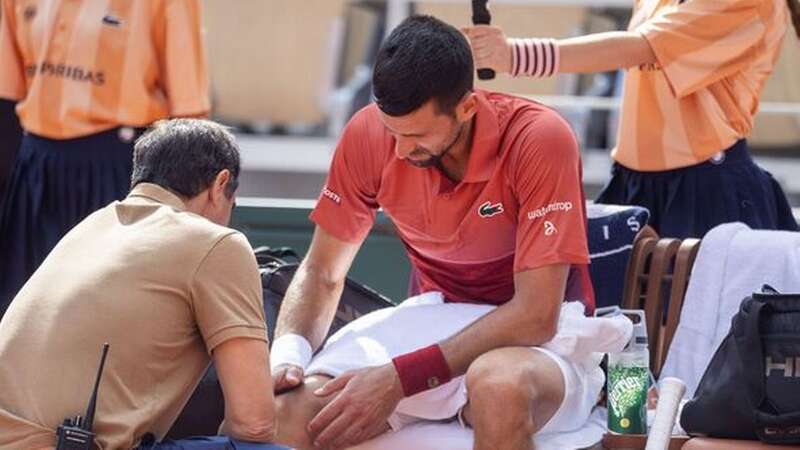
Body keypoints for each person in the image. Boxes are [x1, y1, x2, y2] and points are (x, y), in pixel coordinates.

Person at [268, 15, 618, 450]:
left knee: (497, 387)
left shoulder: (540, 138)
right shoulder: (368, 133)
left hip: (538, 344)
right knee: (285, 412)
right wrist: (288, 359)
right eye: (391, 130)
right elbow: (322, 272)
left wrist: (401, 380)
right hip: (430, 330)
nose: (397, 149)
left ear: (467, 108)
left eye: (415, 135)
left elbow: (536, 314)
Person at [0, 119, 287, 450]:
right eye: (231, 206)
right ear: (220, 184)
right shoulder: (217, 243)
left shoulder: (91, 226)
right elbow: (254, 423)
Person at [464, 0, 800, 239]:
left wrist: (513, 55)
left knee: (699, 334)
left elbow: (636, 48)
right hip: (633, 182)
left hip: (706, 189)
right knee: (617, 328)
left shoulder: (751, 4)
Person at [0, 0, 210, 315]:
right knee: (20, 315)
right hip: (35, 169)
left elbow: (190, 112)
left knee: (104, 319)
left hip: (119, 167)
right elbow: (7, 95)